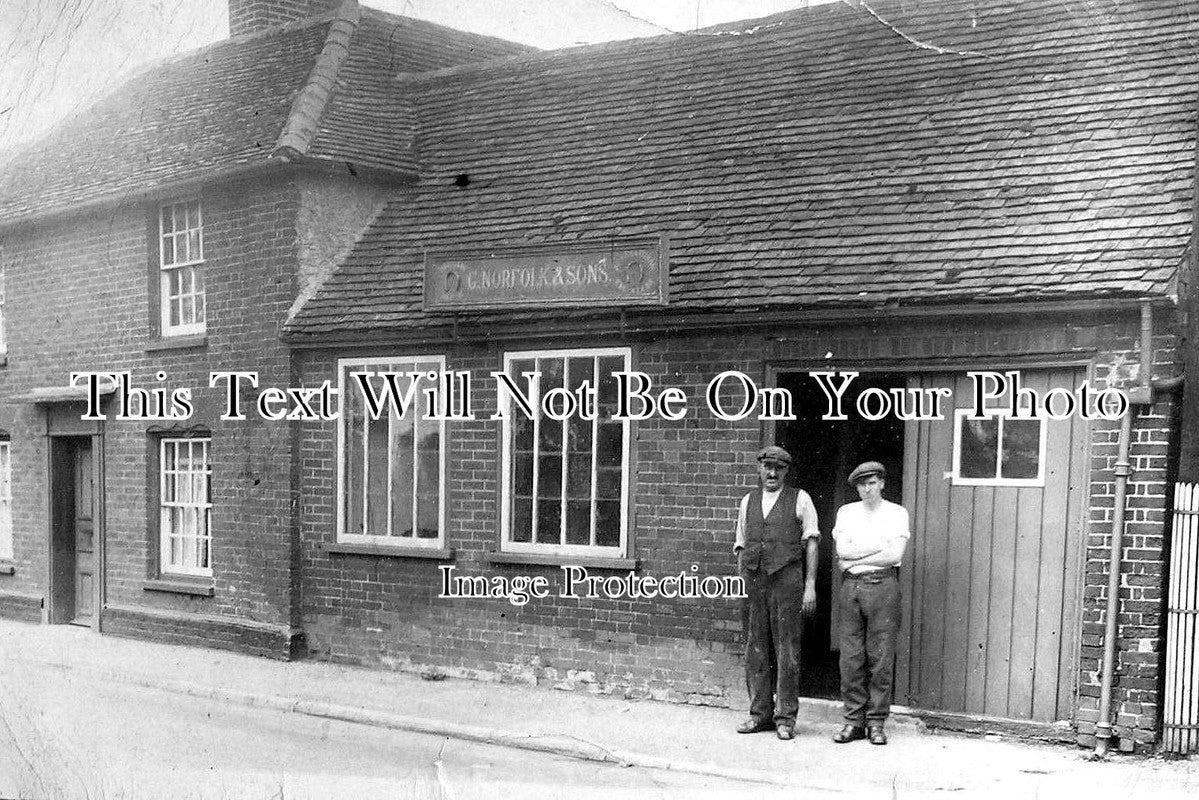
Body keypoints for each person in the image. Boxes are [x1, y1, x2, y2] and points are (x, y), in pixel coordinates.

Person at [732, 445, 819, 741]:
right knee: (755, 647)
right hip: (754, 581)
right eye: (767, 467)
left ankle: (785, 718)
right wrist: (741, 578)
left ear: (786, 471)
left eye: (778, 468)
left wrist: (809, 586)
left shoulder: (801, 499)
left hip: (787, 580)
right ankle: (759, 714)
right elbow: (741, 543)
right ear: (759, 469)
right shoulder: (748, 501)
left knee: (787, 649)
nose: (772, 473)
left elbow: (811, 543)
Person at [831, 461, 910, 746]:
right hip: (851, 588)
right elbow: (842, 550)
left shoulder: (896, 513)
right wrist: (878, 547)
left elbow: (895, 554)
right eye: (862, 484)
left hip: (883, 586)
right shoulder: (847, 512)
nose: (867, 488)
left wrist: (856, 559)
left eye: (872, 483)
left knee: (880, 657)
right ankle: (853, 721)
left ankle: (876, 722)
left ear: (882, 483)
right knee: (851, 658)